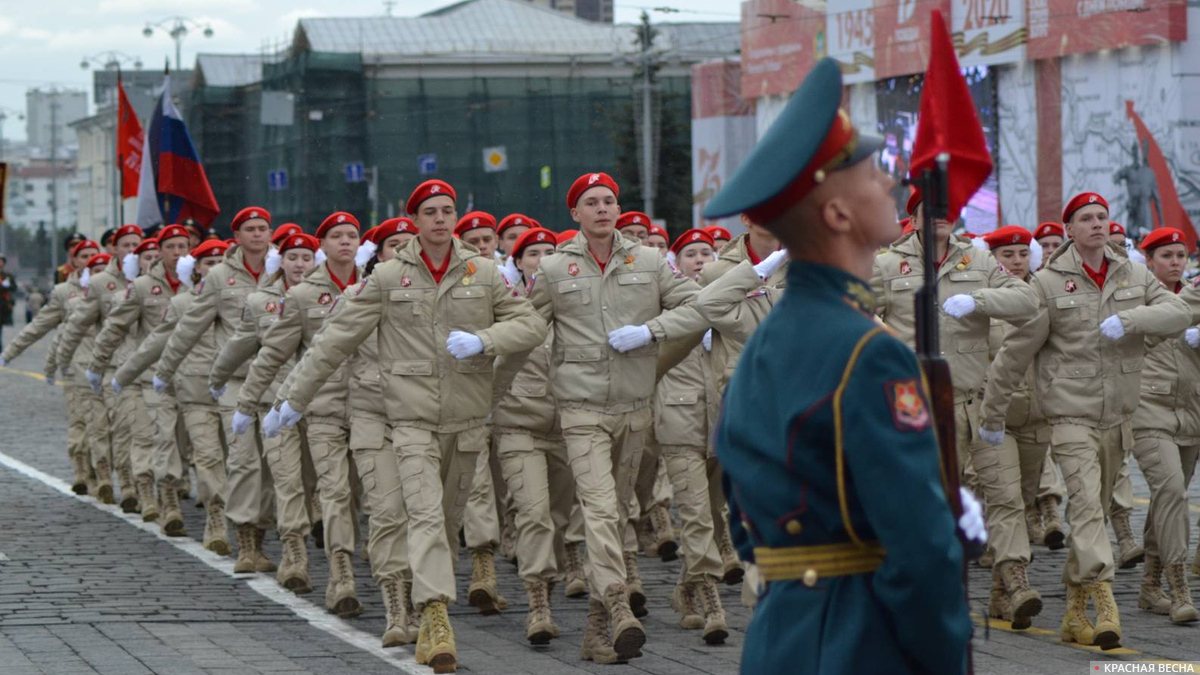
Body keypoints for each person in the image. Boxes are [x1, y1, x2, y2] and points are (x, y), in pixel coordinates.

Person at [703, 57, 975, 675]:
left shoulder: (768, 342)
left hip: (782, 636)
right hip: (861, 643)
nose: (891, 185)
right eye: (873, 173)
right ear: (837, 214)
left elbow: (746, 524)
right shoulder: (869, 351)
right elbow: (922, 555)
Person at [268, 179, 546, 673]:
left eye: (448, 210)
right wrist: (294, 398)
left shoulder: (483, 273)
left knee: (447, 517)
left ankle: (426, 597)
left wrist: (485, 340)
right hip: (410, 419)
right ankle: (435, 614)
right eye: (431, 211)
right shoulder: (387, 277)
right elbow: (335, 341)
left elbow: (530, 326)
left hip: (464, 422)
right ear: (414, 219)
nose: (441, 219)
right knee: (419, 516)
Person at [979, 192, 1191, 649]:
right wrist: (993, 415)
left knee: (1093, 504)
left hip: (1119, 417)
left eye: (1102, 217)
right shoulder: (1047, 284)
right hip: (1070, 416)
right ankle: (1104, 599)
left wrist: (1134, 321)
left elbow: (1179, 311)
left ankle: (1074, 610)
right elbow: (1015, 355)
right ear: (1069, 230)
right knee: (1089, 508)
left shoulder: (1133, 273)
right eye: (1086, 219)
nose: (1097, 224)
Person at [526, 171, 706, 664]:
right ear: (575, 214)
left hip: (634, 409)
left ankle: (596, 633)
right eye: (592, 202)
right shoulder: (555, 268)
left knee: (617, 510)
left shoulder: (648, 260)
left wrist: (652, 330)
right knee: (601, 509)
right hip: (581, 409)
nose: (603, 208)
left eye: (609, 200)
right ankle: (617, 601)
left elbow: (695, 304)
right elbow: (527, 326)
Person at [235, 211, 365, 613]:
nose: (345, 242)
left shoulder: (374, 285)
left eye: (352, 235)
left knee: (357, 495)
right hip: (317, 407)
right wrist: (246, 402)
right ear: (321, 245)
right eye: (336, 236)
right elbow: (273, 353)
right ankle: (331, 571)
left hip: (368, 408)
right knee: (326, 489)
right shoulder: (304, 296)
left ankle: (340, 555)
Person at [154, 207, 277, 570]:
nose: (258, 235)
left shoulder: (280, 271)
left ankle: (261, 538)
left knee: (272, 467)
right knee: (242, 461)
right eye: (250, 229)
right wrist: (165, 369)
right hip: (234, 384)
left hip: (274, 383)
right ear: (236, 236)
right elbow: (190, 326)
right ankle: (241, 540)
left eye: (263, 228)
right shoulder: (220, 277)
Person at [211, 231, 320, 590]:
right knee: (265, 472)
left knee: (309, 480)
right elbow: (241, 344)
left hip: (321, 404)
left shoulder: (332, 297)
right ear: (281, 262)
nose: (300, 265)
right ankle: (268, 547)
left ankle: (324, 543)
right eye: (293, 258)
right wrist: (218, 377)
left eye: (307, 258)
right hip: (272, 401)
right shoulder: (261, 302)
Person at [491, 226, 574, 645]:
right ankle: (537, 599)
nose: (541, 259)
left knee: (559, 519)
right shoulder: (503, 304)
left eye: (549, 252)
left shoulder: (577, 302)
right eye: (532, 253)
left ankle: (550, 579)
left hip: (568, 426)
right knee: (534, 513)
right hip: (517, 423)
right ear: (518, 261)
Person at [654, 229, 729, 644]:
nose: (700, 260)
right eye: (691, 254)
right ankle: (709, 598)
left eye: (707, 253)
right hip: (679, 425)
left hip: (722, 427)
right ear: (675, 264)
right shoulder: (665, 307)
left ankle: (684, 589)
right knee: (697, 516)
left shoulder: (732, 308)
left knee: (716, 518)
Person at [1127, 227, 1200, 624]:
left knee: (1167, 497)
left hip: (1192, 410)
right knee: (1171, 488)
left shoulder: (1195, 294)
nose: (1175, 262)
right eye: (1167, 256)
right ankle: (1178, 588)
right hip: (1148, 407)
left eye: (1181, 255)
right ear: (1149, 261)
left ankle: (1149, 585)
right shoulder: (1134, 295)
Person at [96, 225, 191, 524]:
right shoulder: (141, 286)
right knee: (153, 438)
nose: (177, 253)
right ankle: (159, 497)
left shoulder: (199, 285)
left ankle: (172, 490)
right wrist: (97, 364)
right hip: (150, 376)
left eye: (182, 247)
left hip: (191, 377)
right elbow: (115, 327)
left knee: (183, 444)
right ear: (159, 252)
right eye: (171, 247)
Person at [56, 225, 145, 510]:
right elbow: (73, 327)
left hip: (150, 369)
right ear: (115, 249)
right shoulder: (99, 283)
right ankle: (119, 481)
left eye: (137, 244)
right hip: (107, 366)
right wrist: (61, 362)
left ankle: (153, 486)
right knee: (108, 426)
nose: (132, 249)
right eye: (126, 244)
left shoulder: (152, 281)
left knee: (141, 432)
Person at [2, 240, 100, 492]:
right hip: (77, 365)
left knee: (104, 425)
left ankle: (102, 474)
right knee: (79, 420)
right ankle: (81, 472)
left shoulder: (115, 287)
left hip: (109, 367)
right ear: (74, 261)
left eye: (94, 254)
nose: (89, 259)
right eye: (84, 255)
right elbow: (39, 325)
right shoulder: (64, 291)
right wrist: (9, 353)